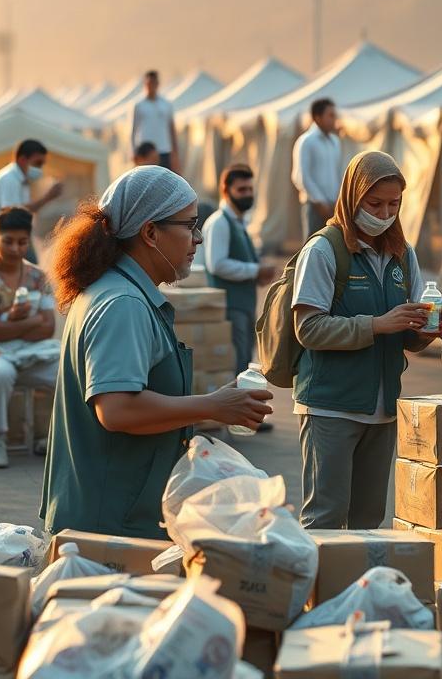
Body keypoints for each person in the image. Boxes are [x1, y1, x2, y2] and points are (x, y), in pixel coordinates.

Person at [40, 166, 272, 540]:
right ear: (150, 232)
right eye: (190, 226)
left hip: (115, 514)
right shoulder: (123, 303)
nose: (197, 239)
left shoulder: (121, 292)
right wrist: (212, 405)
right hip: (108, 525)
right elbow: (117, 410)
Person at [292, 150, 442, 529]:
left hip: (383, 410)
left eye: (393, 204)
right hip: (331, 406)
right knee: (324, 519)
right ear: (352, 196)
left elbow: (405, 339)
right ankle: (319, 591)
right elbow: (308, 328)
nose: (383, 214)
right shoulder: (324, 250)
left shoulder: (402, 254)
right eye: (373, 203)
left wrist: (424, 333)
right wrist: (375, 325)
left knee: (368, 521)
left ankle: (360, 590)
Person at [0, 207, 58, 468]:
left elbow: (48, 329)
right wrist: (29, 320)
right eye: (8, 241)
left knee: (67, 372)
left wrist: (9, 323)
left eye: (22, 242)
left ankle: (53, 436)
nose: (15, 248)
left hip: (34, 352)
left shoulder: (39, 276)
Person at [202, 164, 277, 392]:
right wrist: (255, 271)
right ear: (226, 190)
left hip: (243, 304)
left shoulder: (239, 223)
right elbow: (217, 264)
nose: (248, 195)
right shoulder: (219, 223)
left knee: (244, 359)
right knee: (235, 363)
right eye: (241, 189)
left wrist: (258, 274)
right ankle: (234, 420)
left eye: (250, 189)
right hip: (229, 305)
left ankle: (241, 418)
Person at [0, 139, 64, 262]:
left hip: (10, 239)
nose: (40, 168)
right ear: (22, 160)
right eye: (37, 163)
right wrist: (47, 197)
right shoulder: (9, 180)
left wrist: (48, 198)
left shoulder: (21, 181)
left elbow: (22, 210)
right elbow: (12, 215)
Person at [291, 98, 341, 238]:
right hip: (314, 206)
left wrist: (338, 201)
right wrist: (320, 202)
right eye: (330, 115)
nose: (334, 119)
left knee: (332, 246)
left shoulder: (335, 142)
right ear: (317, 117)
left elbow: (337, 173)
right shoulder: (306, 141)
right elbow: (300, 176)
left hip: (333, 205)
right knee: (311, 246)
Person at [131, 71, 180, 174]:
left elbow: (171, 129)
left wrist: (175, 153)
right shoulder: (138, 105)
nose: (151, 86)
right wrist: (133, 151)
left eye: (154, 83)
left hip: (164, 150)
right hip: (145, 152)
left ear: (157, 84)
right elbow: (133, 130)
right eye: (149, 83)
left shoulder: (166, 104)